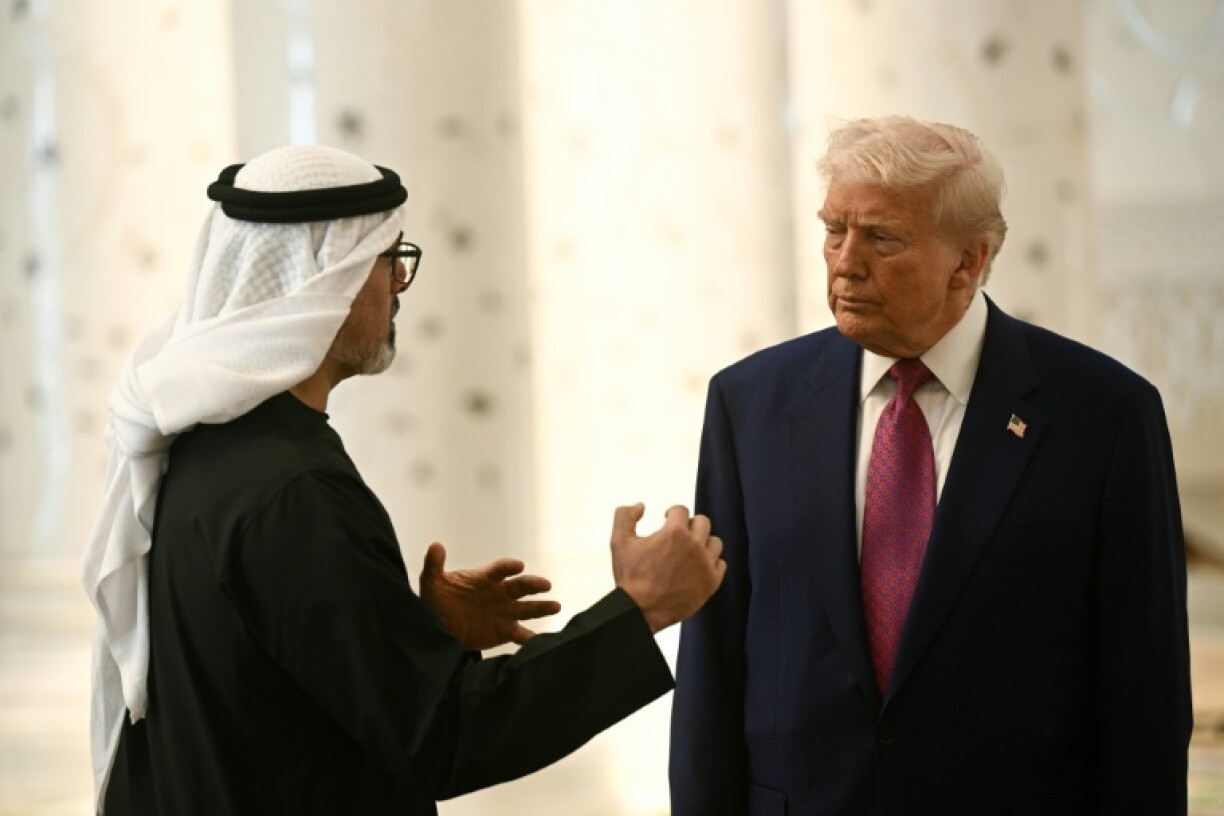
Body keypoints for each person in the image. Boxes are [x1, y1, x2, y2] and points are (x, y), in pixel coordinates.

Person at [81, 144, 725, 816]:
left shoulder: (208, 448)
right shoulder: (293, 491)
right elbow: (443, 736)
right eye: (392, 261)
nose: (397, 288)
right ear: (330, 276)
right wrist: (641, 608)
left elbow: (267, 681)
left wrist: (409, 635)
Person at [669, 116, 1191, 815]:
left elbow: (1144, 694)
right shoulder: (750, 404)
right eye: (833, 230)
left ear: (968, 262)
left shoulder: (1105, 415)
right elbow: (712, 665)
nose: (845, 261)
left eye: (881, 238)